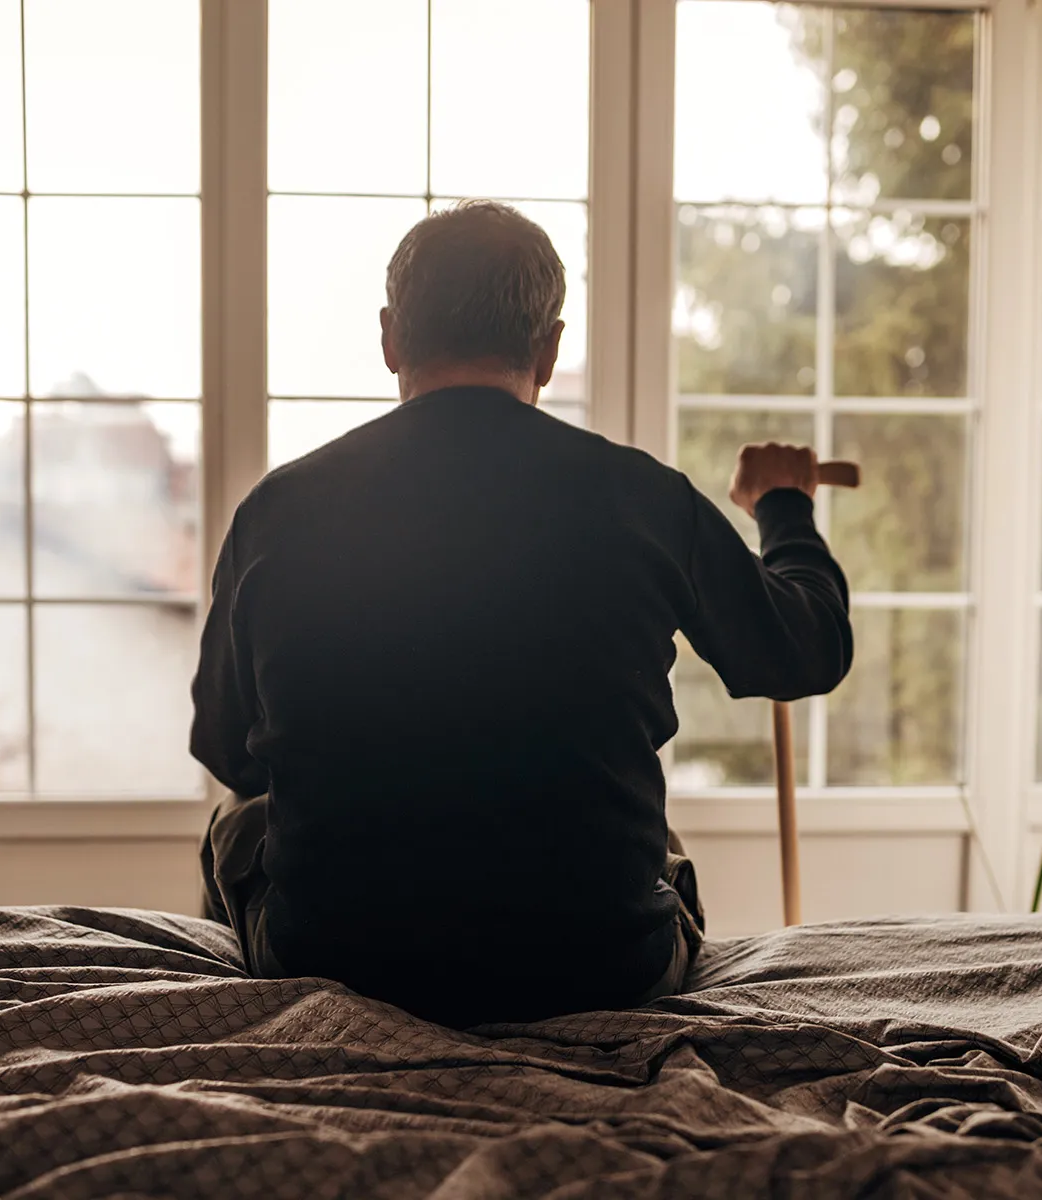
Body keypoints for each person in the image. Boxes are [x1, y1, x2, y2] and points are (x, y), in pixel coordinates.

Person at [192, 200, 852, 1028]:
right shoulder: (643, 497)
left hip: (342, 960)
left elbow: (228, 749)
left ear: (392, 336)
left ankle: (267, 1033)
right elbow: (806, 651)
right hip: (603, 967)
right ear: (549, 346)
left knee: (236, 820)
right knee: (657, 846)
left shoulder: (279, 510)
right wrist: (785, 506)